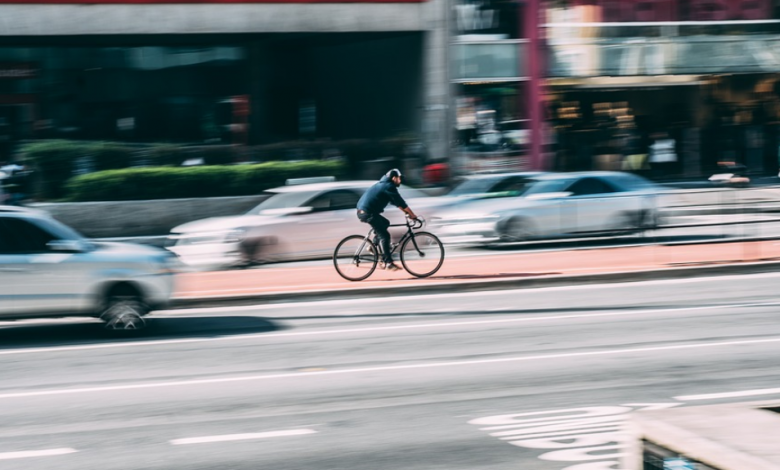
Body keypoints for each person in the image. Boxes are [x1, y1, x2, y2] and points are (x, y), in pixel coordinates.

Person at [356, 169, 418, 271]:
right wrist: (412, 215)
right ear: (394, 178)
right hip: (367, 213)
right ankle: (389, 262)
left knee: (385, 223)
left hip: (365, 211)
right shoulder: (389, 186)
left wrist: (407, 213)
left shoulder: (384, 185)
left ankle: (373, 246)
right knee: (385, 235)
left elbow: (397, 203)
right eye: (399, 178)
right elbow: (401, 202)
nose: (400, 181)